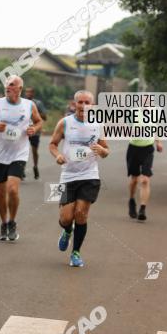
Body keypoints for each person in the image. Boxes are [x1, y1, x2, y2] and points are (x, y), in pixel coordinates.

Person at [49, 90, 110, 267]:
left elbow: (105, 149)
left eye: (87, 102)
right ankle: (67, 231)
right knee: (66, 218)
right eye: (80, 102)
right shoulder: (65, 123)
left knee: (81, 214)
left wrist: (103, 151)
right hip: (68, 175)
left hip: (89, 175)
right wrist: (57, 155)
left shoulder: (98, 124)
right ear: (74, 104)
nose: (83, 106)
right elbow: (52, 144)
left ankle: (76, 252)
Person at [0, 75, 44, 241]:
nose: (8, 86)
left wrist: (34, 129)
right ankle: (4, 223)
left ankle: (13, 221)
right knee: (1, 193)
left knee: (12, 189)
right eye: (7, 84)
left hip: (19, 153)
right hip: (0, 155)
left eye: (12, 84)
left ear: (20, 89)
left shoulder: (29, 105)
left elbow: (38, 122)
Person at [126, 132, 162, 221]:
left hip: (148, 149)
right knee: (134, 180)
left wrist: (158, 142)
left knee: (145, 180)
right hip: (133, 149)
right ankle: (131, 200)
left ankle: (142, 209)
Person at [24, 86, 47, 180]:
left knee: (34, 150)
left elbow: (45, 117)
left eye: (30, 92)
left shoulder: (38, 103)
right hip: (24, 130)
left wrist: (34, 112)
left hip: (35, 130)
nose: (28, 94)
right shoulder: (22, 102)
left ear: (33, 94)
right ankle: (21, 169)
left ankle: (35, 166)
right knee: (23, 150)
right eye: (27, 92)